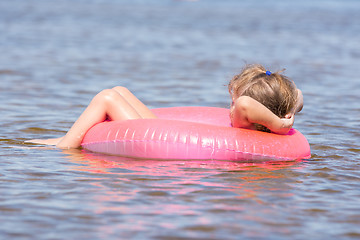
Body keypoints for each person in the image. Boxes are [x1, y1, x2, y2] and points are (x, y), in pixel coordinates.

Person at [29, 64, 303, 149]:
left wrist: (281, 123)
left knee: (108, 97)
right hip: (161, 128)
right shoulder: (267, 118)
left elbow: (244, 103)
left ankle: (66, 146)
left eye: (231, 102)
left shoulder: (249, 119)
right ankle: (56, 140)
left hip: (157, 137)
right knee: (121, 91)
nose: (231, 107)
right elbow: (297, 95)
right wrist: (287, 112)